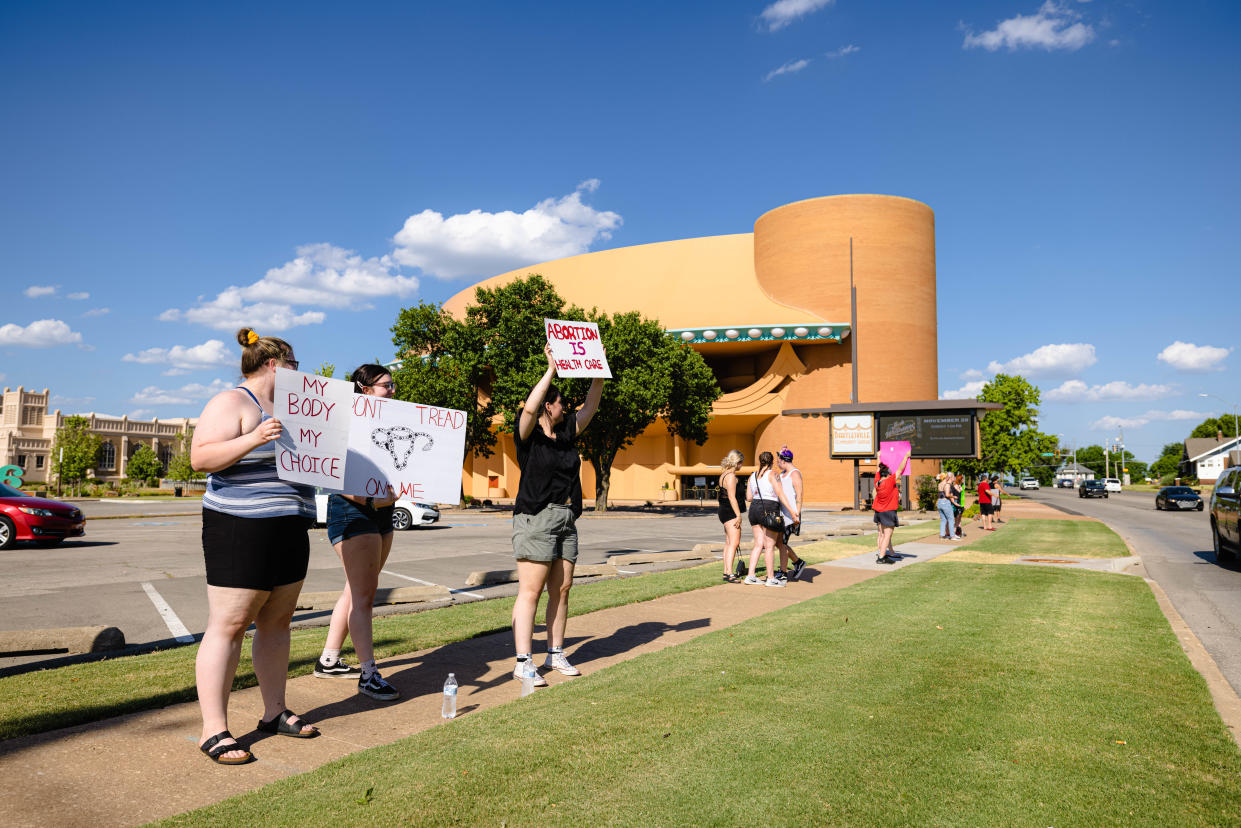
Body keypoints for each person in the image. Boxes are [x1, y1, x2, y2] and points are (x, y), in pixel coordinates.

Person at [191, 328, 318, 765]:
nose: (300, 373)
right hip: (239, 527)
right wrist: (255, 437)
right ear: (275, 365)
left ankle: (274, 711)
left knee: (278, 622)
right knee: (229, 623)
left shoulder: (293, 410)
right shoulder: (231, 402)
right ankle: (215, 730)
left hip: (290, 527)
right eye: (295, 366)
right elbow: (201, 458)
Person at [510, 343, 605, 685]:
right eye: (562, 403)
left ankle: (555, 652)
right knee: (530, 591)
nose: (567, 407)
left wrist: (598, 371)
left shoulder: (567, 435)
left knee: (562, 589)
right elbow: (528, 410)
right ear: (550, 406)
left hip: (566, 519)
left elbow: (590, 406)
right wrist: (550, 369)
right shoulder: (528, 436)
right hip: (536, 518)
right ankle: (523, 660)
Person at [313, 365, 401, 701]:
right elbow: (332, 469)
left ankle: (329, 659)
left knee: (356, 589)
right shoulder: (344, 423)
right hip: (352, 511)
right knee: (364, 596)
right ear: (364, 389)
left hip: (382, 511)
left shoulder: (390, 423)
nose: (392, 390)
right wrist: (366, 498)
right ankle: (369, 674)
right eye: (386, 385)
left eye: (393, 385)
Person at [743, 451, 797, 586]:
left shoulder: (753, 476)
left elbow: (749, 497)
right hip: (769, 507)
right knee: (769, 546)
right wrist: (792, 511)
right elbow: (780, 493)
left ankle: (750, 575)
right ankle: (771, 578)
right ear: (772, 462)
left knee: (758, 544)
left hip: (754, 508)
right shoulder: (773, 474)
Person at [774, 447, 807, 580]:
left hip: (791, 515)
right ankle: (798, 562)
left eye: (778, 460)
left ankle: (783, 572)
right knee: (779, 543)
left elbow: (799, 495)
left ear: (783, 460)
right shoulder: (783, 474)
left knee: (782, 543)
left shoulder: (795, 474)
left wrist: (797, 514)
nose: (777, 462)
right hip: (783, 515)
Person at [873, 449, 910, 564]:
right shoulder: (889, 481)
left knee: (883, 534)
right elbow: (900, 469)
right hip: (888, 512)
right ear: (888, 474)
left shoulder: (877, 481)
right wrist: (906, 456)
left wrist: (878, 457)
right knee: (887, 535)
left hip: (880, 511)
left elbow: (877, 469)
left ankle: (882, 554)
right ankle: (881, 557)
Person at [717, 450, 747, 583]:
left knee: (729, 543)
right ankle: (729, 573)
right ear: (738, 462)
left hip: (724, 511)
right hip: (730, 512)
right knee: (734, 543)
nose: (742, 466)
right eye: (742, 463)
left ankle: (726, 571)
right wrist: (738, 516)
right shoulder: (730, 477)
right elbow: (731, 497)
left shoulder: (724, 474)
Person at [936, 472, 955, 540]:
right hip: (945, 502)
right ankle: (952, 536)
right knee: (951, 519)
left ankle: (942, 535)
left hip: (939, 502)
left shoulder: (939, 484)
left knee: (943, 520)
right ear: (948, 477)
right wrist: (953, 496)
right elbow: (947, 495)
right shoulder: (947, 484)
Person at [952, 472, 966, 539]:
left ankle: (959, 531)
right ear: (960, 479)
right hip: (957, 504)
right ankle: (954, 533)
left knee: (959, 519)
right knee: (956, 520)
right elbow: (959, 491)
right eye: (962, 479)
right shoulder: (956, 486)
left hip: (961, 504)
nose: (963, 480)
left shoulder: (961, 485)